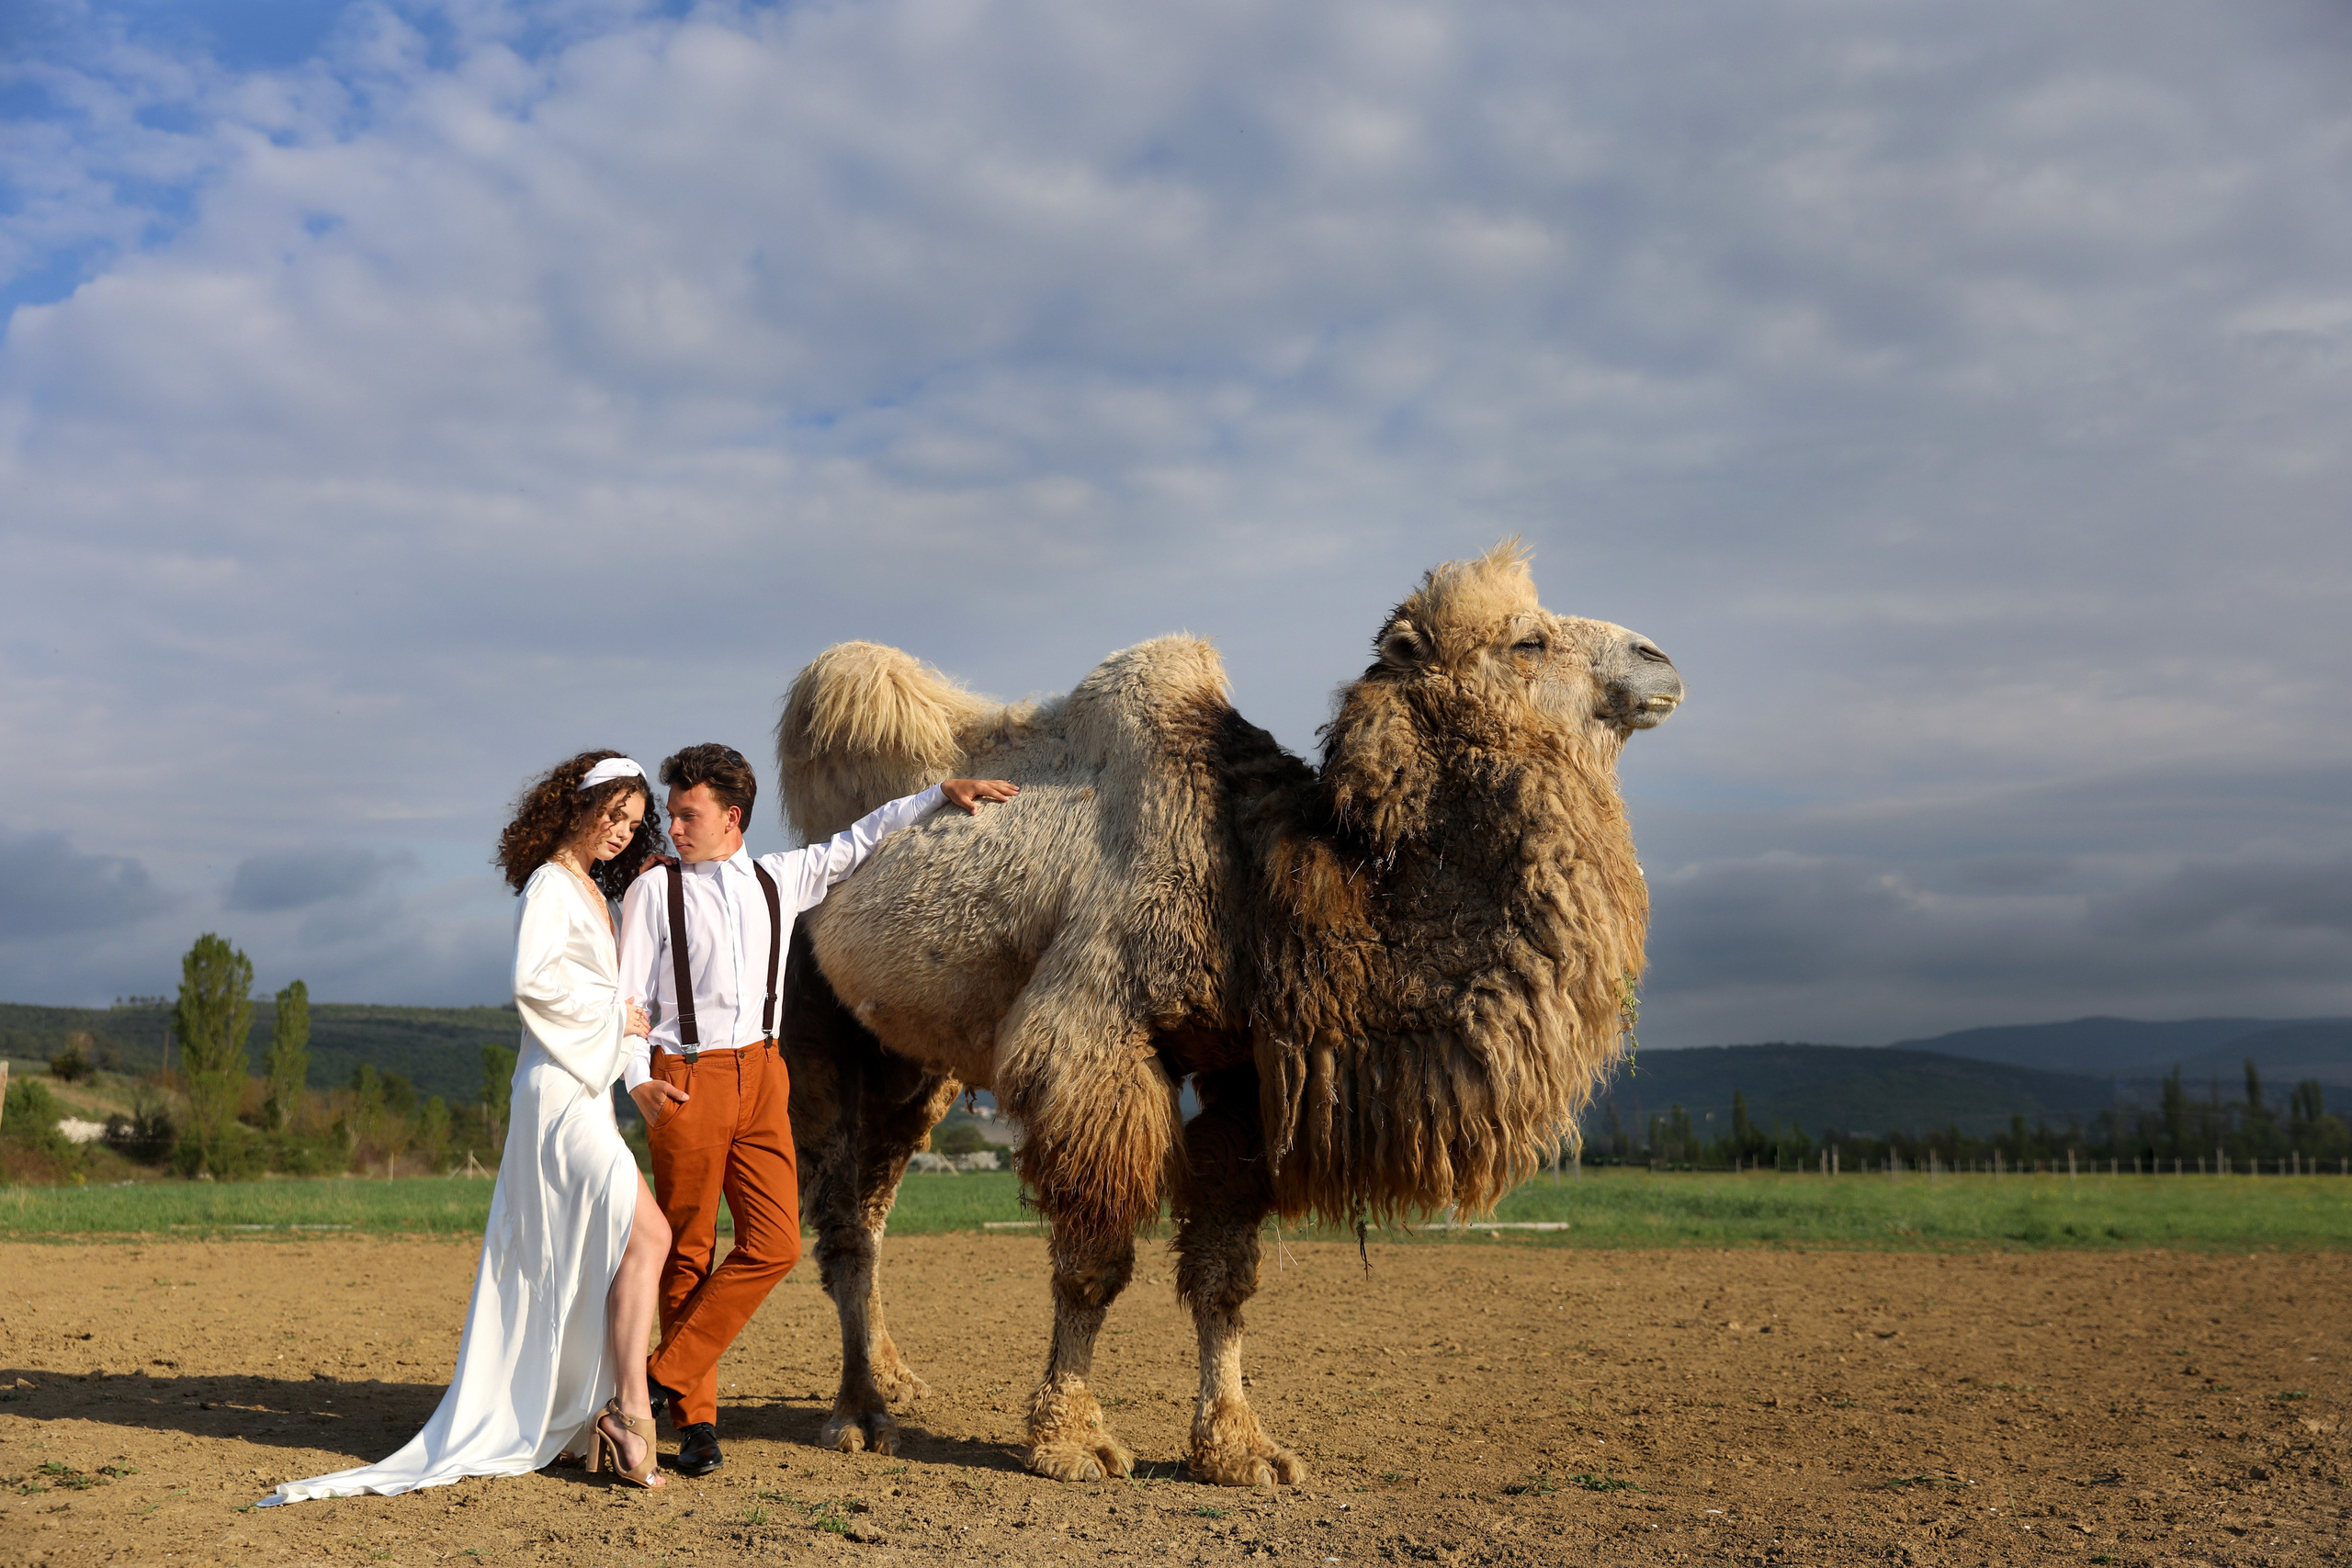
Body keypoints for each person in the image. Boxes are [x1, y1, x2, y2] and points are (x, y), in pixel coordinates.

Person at [266, 751, 677, 1503]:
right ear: (576, 803)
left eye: (632, 821)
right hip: (556, 1094)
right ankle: (628, 1413)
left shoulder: (594, 891)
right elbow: (534, 985)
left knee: (607, 1244)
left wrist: (634, 1061)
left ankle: (599, 1412)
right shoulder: (553, 884)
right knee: (648, 1234)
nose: (621, 831)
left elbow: (598, 996)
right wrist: (616, 1017)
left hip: (585, 1092)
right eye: (611, 814)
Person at [617, 743, 1015, 1475]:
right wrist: (636, 1075)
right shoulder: (653, 893)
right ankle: (696, 1422)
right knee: (688, 1252)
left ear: (732, 817)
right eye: (671, 813)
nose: (674, 826)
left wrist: (938, 792)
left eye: (687, 814)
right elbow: (629, 998)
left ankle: (651, 1380)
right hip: (688, 1078)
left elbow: (861, 837)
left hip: (766, 1076)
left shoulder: (779, 878)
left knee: (775, 1244)